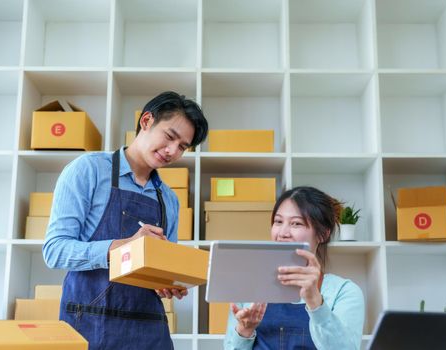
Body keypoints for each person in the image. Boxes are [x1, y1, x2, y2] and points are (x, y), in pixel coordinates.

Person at [42, 91, 208, 350]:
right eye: (170, 137)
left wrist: (168, 284)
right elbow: (54, 251)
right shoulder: (89, 170)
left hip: (149, 330)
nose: (172, 151)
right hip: (90, 327)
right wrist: (125, 246)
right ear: (146, 121)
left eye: (182, 147)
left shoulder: (169, 200)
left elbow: (161, 269)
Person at [224, 186, 365, 349]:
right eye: (278, 221)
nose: (283, 233)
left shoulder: (344, 291)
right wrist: (244, 329)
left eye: (296, 223)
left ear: (323, 234)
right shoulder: (248, 289)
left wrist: (315, 302)